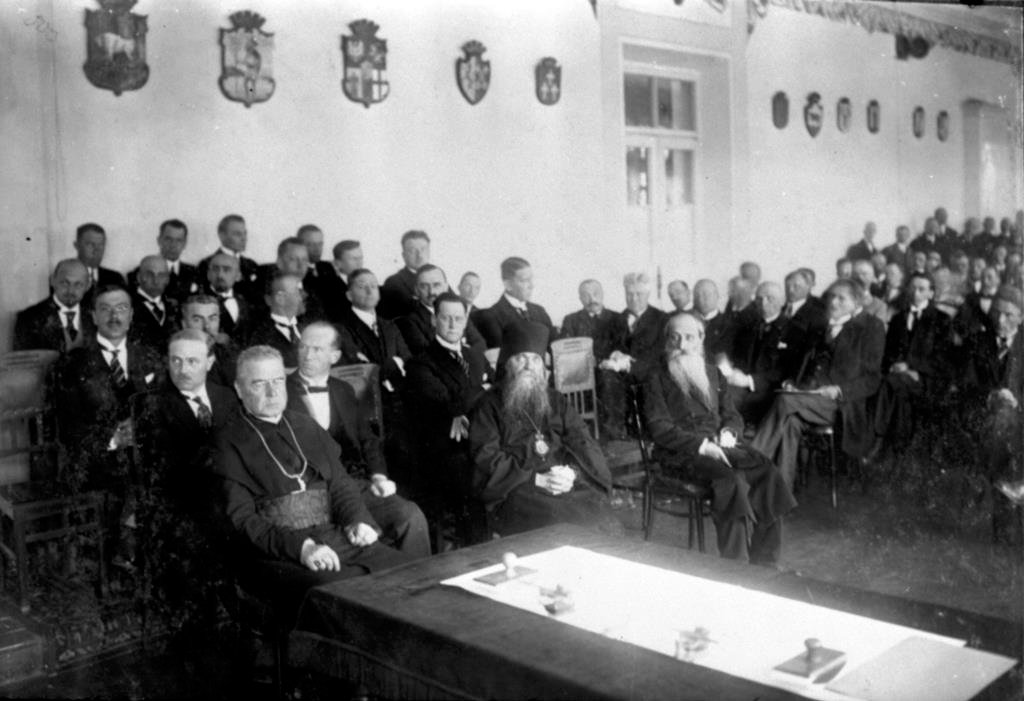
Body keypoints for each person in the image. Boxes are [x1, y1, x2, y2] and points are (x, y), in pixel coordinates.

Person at [213, 346, 409, 625]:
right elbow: (243, 521)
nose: (272, 392)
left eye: (278, 380)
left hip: (333, 535)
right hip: (278, 553)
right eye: (259, 383)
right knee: (346, 592)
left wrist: (357, 520)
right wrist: (301, 547)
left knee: (403, 571)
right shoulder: (226, 442)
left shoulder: (305, 425)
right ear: (239, 388)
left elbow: (340, 484)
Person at [644, 312, 796, 564]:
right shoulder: (656, 378)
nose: (682, 345)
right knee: (731, 481)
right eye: (675, 338)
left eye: (689, 338)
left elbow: (732, 416)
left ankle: (765, 562)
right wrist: (703, 446)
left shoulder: (714, 374)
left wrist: (729, 433)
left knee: (767, 471)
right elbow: (659, 428)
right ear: (667, 342)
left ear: (700, 340)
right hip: (680, 452)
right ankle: (734, 564)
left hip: (719, 445)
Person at [286, 322, 431, 558]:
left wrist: (378, 475)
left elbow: (367, 439)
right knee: (362, 542)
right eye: (303, 347)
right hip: (313, 493)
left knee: (410, 516)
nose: (307, 355)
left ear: (335, 356)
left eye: (317, 349)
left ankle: (420, 588)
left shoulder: (343, 390)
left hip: (355, 483)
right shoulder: (281, 392)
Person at [469, 321, 621, 536]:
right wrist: (537, 479)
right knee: (561, 521)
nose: (529, 366)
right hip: (517, 489)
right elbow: (486, 459)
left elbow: (582, 441)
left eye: (535, 359)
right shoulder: (488, 405)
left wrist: (572, 474)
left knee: (601, 514)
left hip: (561, 483)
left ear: (542, 366)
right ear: (507, 364)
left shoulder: (556, 400)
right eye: (521, 358)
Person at [750, 279, 885, 487]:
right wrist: (793, 383)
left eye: (842, 298)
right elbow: (805, 365)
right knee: (790, 423)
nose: (834, 302)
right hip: (808, 399)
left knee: (785, 402)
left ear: (857, 302)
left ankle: (747, 470)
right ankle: (779, 491)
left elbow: (872, 379)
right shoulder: (821, 327)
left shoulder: (871, 327)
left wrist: (838, 390)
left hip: (842, 406)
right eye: (831, 296)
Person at [403, 292, 492, 538]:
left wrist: (462, 402)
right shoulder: (420, 363)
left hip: (481, 438)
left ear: (466, 321)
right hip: (445, 449)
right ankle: (478, 546)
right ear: (434, 321)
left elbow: (494, 391)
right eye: (446, 318)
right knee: (474, 474)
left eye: (458, 318)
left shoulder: (475, 356)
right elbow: (440, 402)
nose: (453, 325)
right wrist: (479, 391)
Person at [873, 273, 950, 453]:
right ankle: (899, 447)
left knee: (891, 383)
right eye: (913, 288)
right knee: (897, 389)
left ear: (931, 293)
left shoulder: (942, 320)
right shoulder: (898, 319)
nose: (916, 293)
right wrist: (893, 365)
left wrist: (911, 366)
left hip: (927, 378)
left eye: (921, 289)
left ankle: (877, 439)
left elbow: (942, 358)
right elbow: (888, 352)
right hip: (898, 377)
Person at [595, 272, 666, 440]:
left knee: (654, 378)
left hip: (648, 372)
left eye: (639, 294)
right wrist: (615, 353)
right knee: (607, 377)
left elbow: (660, 352)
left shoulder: (661, 319)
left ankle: (653, 433)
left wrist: (629, 365)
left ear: (648, 295)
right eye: (629, 294)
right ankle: (614, 434)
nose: (633, 298)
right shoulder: (616, 319)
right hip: (621, 377)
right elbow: (604, 346)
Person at [725, 282, 796, 426]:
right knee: (720, 398)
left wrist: (750, 380)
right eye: (759, 298)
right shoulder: (748, 327)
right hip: (741, 385)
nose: (763, 303)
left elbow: (787, 370)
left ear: (782, 302)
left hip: (770, 389)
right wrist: (735, 370)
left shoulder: (793, 331)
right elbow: (739, 357)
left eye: (770, 298)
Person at [337, 269, 412, 395]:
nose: (369, 291)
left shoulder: (390, 326)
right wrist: (395, 362)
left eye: (373, 286)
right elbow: (360, 370)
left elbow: (408, 361)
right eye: (362, 287)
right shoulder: (341, 329)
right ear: (349, 295)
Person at [396, 264, 486, 355]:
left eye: (436, 285)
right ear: (416, 290)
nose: (431, 292)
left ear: (446, 287)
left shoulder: (458, 310)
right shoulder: (409, 321)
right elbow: (427, 353)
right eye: (424, 286)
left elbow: (480, 344)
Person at [14, 258, 94, 353]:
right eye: (65, 283)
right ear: (52, 280)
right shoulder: (28, 318)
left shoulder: (95, 316)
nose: (71, 291)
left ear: (88, 286)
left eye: (78, 284)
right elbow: (24, 364)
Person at [474, 257, 554, 349]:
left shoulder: (540, 311)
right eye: (524, 281)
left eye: (531, 279)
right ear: (508, 285)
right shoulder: (491, 317)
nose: (531, 285)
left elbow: (555, 347)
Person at [244, 273, 307, 370]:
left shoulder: (307, 329)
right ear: (280, 298)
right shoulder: (259, 336)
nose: (303, 296)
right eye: (298, 291)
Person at [127, 219, 198, 303]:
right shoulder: (141, 272)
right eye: (168, 239)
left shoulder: (195, 272)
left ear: (185, 243)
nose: (173, 245)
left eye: (179, 240)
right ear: (159, 240)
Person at [256, 237, 325, 321]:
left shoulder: (317, 288)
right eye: (293, 259)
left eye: (304, 260)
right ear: (280, 263)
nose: (300, 266)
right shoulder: (266, 290)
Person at [196, 214, 260, 303]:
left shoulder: (251, 265)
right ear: (222, 235)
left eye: (245, 233)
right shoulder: (207, 263)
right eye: (237, 234)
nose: (244, 238)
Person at [180, 293, 239, 388]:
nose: (207, 326)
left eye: (212, 319)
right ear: (184, 324)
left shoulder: (230, 356)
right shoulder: (176, 362)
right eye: (197, 320)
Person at [129, 255, 177, 353]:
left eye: (161, 275)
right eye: (150, 274)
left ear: (167, 279)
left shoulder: (174, 307)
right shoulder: (127, 305)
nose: (156, 280)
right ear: (139, 277)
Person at [380, 230, 430, 319]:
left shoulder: (438, 277)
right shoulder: (394, 283)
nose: (420, 255)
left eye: (423, 249)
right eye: (413, 251)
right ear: (404, 255)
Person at [202, 250, 253, 339]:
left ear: (238, 276)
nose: (220, 275)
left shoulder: (246, 302)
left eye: (227, 270)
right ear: (208, 274)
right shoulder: (198, 300)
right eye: (215, 269)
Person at [75, 223, 126, 298]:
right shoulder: (66, 276)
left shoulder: (115, 278)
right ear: (77, 245)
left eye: (101, 244)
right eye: (90, 244)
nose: (97, 250)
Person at [693, 279, 736, 360]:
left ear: (717, 296)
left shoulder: (729, 324)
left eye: (707, 294)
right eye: (698, 295)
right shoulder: (688, 322)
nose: (703, 299)